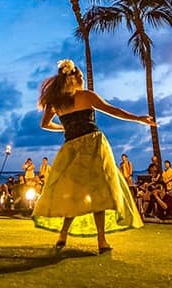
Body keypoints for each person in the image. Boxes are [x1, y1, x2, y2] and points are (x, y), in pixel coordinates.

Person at [32, 59, 151, 253]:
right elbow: (113, 111)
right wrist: (138, 118)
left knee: (73, 193)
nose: (82, 80)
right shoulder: (86, 96)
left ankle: (63, 235)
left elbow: (45, 125)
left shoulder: (56, 102)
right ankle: (101, 241)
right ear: (76, 78)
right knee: (99, 193)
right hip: (93, 145)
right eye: (81, 77)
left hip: (71, 148)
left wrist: (64, 127)